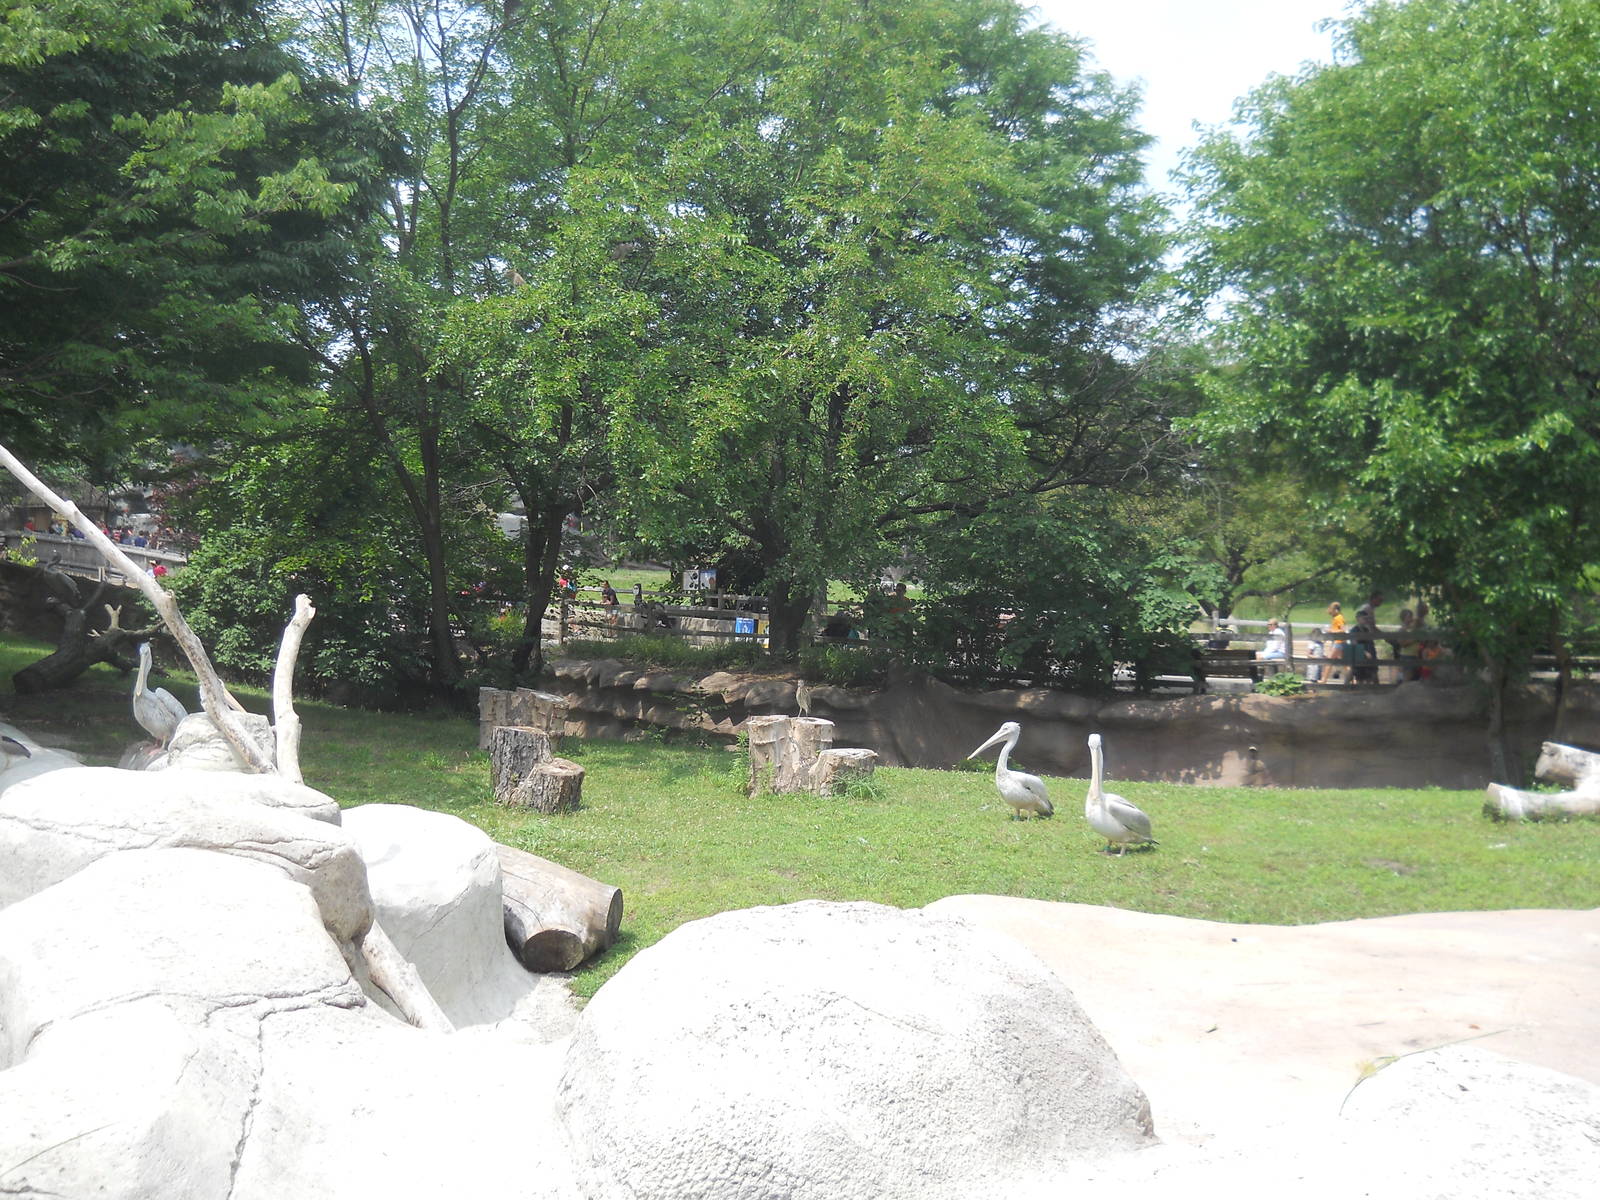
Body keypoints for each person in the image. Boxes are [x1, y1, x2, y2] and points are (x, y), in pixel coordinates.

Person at [1324, 601, 1347, 683]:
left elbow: (1343, 630)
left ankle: (1324, 680)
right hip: (1339, 642)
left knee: (1329, 660)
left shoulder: (1339, 618)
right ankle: (1352, 680)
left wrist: (1331, 630)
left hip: (1339, 642)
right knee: (1345, 663)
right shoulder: (1336, 618)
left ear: (1336, 610)